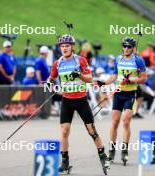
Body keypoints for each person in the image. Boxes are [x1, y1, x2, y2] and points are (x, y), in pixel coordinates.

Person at [47, 34, 110, 174]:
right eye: (62, 46)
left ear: (72, 47)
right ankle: (64, 162)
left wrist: (79, 75)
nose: (64, 48)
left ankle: (103, 156)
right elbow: (51, 78)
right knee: (64, 131)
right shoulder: (58, 63)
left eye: (67, 46)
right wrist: (50, 85)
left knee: (92, 131)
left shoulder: (80, 60)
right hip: (67, 101)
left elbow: (90, 79)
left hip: (81, 101)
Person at [97, 37, 147, 165]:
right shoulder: (118, 59)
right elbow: (114, 76)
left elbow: (143, 79)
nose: (126, 49)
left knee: (126, 121)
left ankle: (124, 151)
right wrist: (103, 83)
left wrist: (132, 80)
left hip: (131, 93)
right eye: (124, 46)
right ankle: (112, 151)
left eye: (129, 47)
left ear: (133, 48)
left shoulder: (138, 60)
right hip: (118, 93)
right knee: (114, 122)